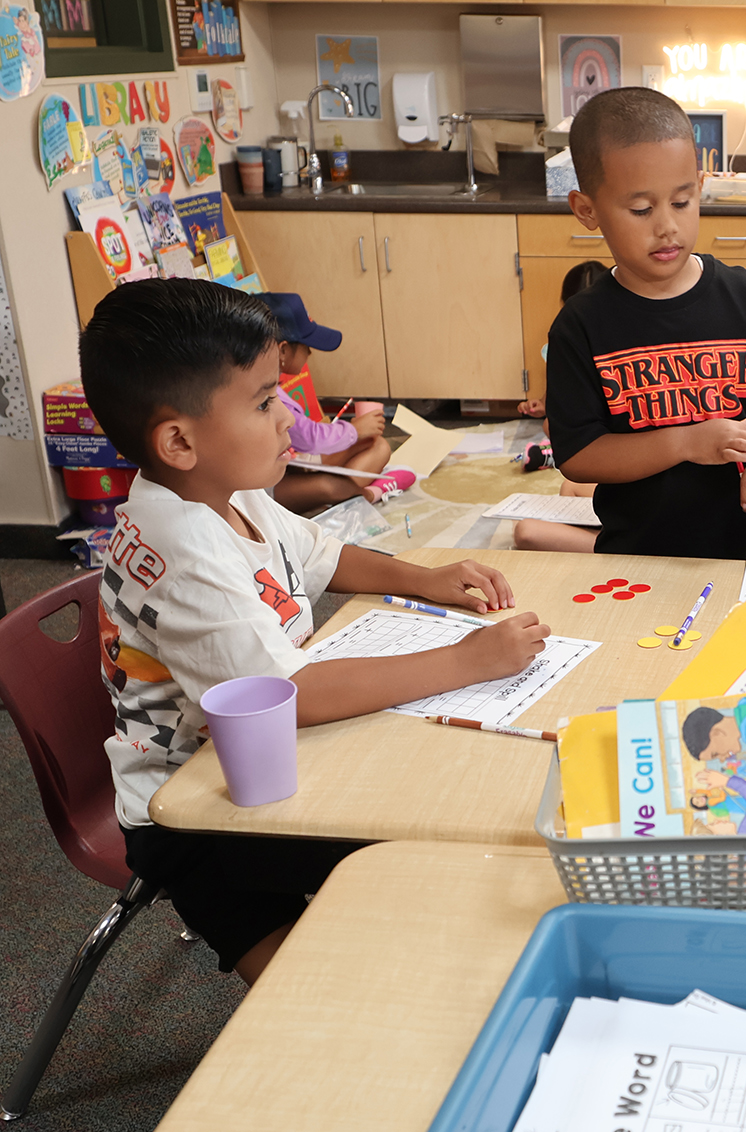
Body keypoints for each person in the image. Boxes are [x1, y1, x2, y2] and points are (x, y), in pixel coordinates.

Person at [79, 279, 552, 985]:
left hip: (275, 768)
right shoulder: (182, 548)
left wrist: (421, 578)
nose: (289, 421)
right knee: (432, 857)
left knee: (442, 816)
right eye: (267, 402)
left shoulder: (229, 493)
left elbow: (320, 553)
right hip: (198, 816)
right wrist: (464, 660)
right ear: (179, 440)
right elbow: (289, 693)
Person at [545, 87, 746, 558]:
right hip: (635, 556)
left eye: (682, 201)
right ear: (587, 210)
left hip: (743, 553)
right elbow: (578, 454)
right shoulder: (580, 325)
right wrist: (686, 442)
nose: (667, 225)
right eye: (641, 210)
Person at [257, 292, 410, 514]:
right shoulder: (268, 396)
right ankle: (368, 494)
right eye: (306, 347)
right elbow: (309, 439)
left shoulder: (271, 387)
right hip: (265, 489)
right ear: (282, 350)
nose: (310, 353)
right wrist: (354, 430)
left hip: (286, 466)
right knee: (330, 486)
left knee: (378, 446)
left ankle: (342, 497)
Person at [513, 261, 611, 553]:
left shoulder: (603, 347)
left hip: (616, 470)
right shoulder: (567, 345)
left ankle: (614, 546)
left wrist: (552, 421)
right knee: (569, 487)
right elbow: (556, 405)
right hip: (608, 469)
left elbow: (561, 425)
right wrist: (542, 406)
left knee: (527, 530)